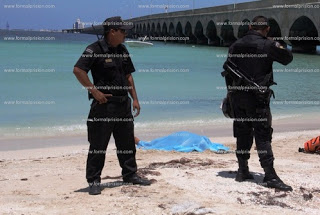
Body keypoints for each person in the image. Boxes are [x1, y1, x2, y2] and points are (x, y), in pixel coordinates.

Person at [73, 16, 151, 195]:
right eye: (123, 31)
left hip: (123, 104)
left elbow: (129, 76)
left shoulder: (122, 50)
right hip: (104, 105)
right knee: (98, 145)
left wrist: (136, 99)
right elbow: (78, 70)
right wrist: (94, 91)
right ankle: (94, 180)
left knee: (126, 143)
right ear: (112, 31)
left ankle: (130, 175)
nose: (126, 33)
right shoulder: (94, 49)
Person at [223, 16, 293, 191]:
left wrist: (229, 97)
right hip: (258, 98)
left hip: (237, 97)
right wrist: (277, 42)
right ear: (267, 29)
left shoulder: (235, 45)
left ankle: (242, 170)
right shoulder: (268, 45)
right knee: (262, 136)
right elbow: (288, 58)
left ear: (250, 27)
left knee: (242, 132)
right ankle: (269, 175)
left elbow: (228, 74)